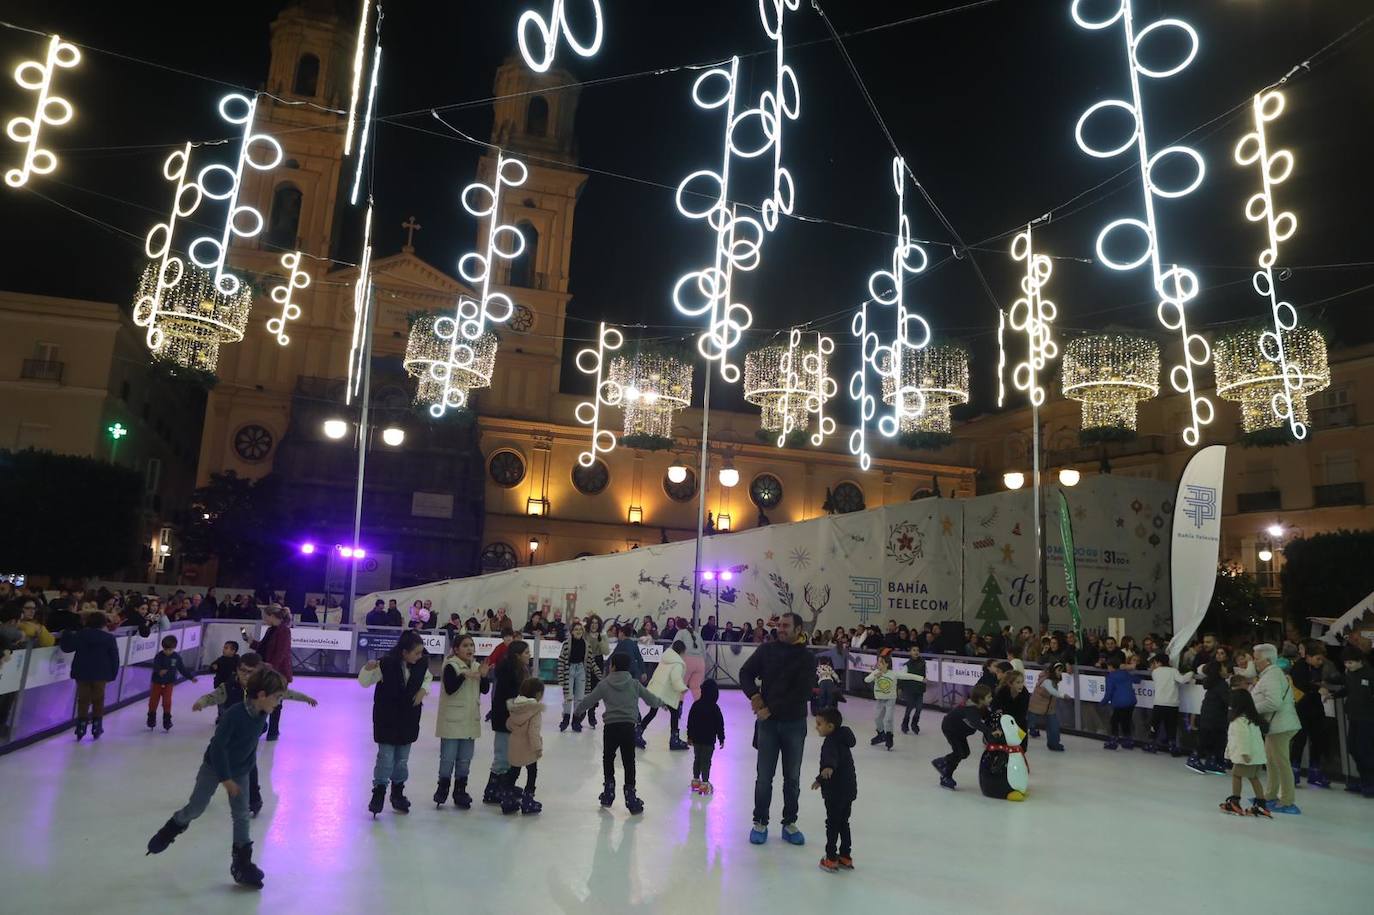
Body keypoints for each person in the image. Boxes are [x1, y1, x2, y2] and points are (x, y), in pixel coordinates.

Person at [145, 665, 288, 889]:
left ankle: (242, 864)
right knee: (196, 808)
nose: (279, 702)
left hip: (240, 770)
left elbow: (249, 748)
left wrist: (247, 773)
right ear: (261, 695)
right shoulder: (234, 715)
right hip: (214, 767)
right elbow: (218, 749)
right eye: (277, 697)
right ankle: (173, 826)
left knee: (241, 815)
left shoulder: (262, 714)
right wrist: (226, 778)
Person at [191, 652, 317, 817]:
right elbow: (212, 697)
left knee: (250, 769)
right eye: (243, 670)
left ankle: (254, 801)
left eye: (251, 672)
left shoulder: (262, 690)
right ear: (237, 670)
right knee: (214, 768)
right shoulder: (228, 688)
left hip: (247, 741)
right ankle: (201, 797)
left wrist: (305, 698)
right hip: (227, 738)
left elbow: (286, 693)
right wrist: (201, 702)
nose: (246, 675)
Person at [739, 612, 816, 846]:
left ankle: (789, 823)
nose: (780, 629)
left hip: (794, 724)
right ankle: (760, 822)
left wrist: (768, 708)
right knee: (764, 777)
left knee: (792, 778)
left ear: (798, 628)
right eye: (779, 625)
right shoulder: (767, 650)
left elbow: (802, 692)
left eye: (786, 626)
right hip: (768, 726)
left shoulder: (806, 657)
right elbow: (745, 673)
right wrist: (754, 695)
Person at [574, 651, 662, 813]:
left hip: (611, 728)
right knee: (629, 762)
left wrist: (578, 711)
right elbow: (650, 699)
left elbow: (589, 699)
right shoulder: (634, 684)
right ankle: (630, 795)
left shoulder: (605, 684)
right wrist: (661, 702)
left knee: (608, 758)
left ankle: (609, 790)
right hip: (628, 727)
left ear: (613, 666)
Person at [359, 630, 432, 817]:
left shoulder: (421, 664)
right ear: (404, 652)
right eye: (416, 652)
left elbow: (427, 678)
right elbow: (365, 682)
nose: (419, 656)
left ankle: (398, 792)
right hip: (387, 719)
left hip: (408, 719)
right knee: (385, 757)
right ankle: (379, 792)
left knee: (401, 760)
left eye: (421, 652)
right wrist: (367, 668)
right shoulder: (386, 664)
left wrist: (423, 691)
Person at [433, 633, 489, 809]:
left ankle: (460, 790)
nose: (469, 649)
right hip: (452, 720)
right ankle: (442, 788)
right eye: (465, 646)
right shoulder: (451, 665)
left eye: (471, 645)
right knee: (448, 758)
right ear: (456, 649)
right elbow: (450, 688)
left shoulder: (477, 666)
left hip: (470, 720)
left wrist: (485, 676)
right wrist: (465, 675)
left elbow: (485, 689)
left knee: (465, 759)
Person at [1251, 643, 1301, 814]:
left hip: (1280, 726)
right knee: (1272, 761)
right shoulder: (1270, 674)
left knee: (1281, 763)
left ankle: (1287, 799)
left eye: (1256, 658)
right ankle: (1271, 794)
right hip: (1276, 726)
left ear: (1266, 660)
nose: (1254, 661)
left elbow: (1274, 702)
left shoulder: (1272, 675)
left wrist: (1251, 707)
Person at [60, 611, 121, 740]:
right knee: (98, 699)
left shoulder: (82, 635)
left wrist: (66, 633)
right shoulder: (109, 638)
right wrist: (113, 673)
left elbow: (67, 647)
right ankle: (97, 725)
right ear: (103, 624)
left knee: (83, 699)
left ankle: (81, 725)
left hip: (82, 672)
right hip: (101, 673)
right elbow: (114, 657)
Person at [485, 639, 531, 807]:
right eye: (526, 653)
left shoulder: (520, 670)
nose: (529, 655)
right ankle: (492, 790)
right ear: (517, 655)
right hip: (505, 719)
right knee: (502, 755)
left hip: (513, 719)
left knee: (509, 755)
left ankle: (504, 786)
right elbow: (509, 697)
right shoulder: (507, 670)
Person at [1323, 643, 1373, 796]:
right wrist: (1334, 695)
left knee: (1365, 751)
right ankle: (1364, 779)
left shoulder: (1370, 674)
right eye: (1345, 662)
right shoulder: (1350, 674)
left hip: (1368, 718)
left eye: (1350, 662)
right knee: (1353, 748)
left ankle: (1369, 782)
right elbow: (1348, 688)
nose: (1347, 665)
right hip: (1354, 716)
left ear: (1360, 661)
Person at [812, 707, 858, 874]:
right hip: (848, 790)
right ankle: (845, 856)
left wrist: (828, 768)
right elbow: (838, 760)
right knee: (844, 823)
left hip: (835, 792)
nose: (816, 727)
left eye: (819, 724)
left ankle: (831, 858)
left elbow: (831, 760)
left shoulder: (830, 742)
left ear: (830, 726)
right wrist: (820, 779)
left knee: (832, 824)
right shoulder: (843, 738)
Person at [1219, 688, 1273, 818]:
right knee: (1254, 778)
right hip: (1257, 756)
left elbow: (1241, 738)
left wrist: (1244, 753)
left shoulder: (1239, 721)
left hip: (1246, 756)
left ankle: (1234, 802)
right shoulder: (1252, 719)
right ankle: (1261, 804)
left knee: (1236, 775)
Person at [1290, 641, 1337, 788]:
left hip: (1316, 708)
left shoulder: (1320, 667)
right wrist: (1317, 688)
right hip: (1302, 708)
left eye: (1321, 659)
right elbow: (1300, 684)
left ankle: (1314, 772)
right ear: (1308, 656)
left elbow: (1327, 680)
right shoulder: (1299, 666)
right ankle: (1294, 772)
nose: (1320, 662)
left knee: (1318, 739)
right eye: (1317, 658)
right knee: (1299, 740)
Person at [931, 684, 993, 789]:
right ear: (980, 699)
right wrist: (990, 732)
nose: (991, 699)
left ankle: (943, 762)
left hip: (959, 732)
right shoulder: (971, 709)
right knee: (959, 752)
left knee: (964, 753)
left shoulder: (981, 706)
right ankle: (946, 775)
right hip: (951, 729)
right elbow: (976, 723)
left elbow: (988, 716)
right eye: (989, 697)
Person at [864, 648, 925, 750]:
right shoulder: (876, 672)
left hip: (890, 700)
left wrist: (921, 678)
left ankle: (889, 737)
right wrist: (875, 675)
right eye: (878, 662)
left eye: (880, 662)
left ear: (887, 664)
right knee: (877, 718)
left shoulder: (893, 674)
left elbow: (908, 676)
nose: (878, 664)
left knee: (888, 719)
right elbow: (866, 680)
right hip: (880, 699)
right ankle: (881, 734)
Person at [247, 606, 292, 740]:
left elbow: (281, 652)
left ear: (272, 616)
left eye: (265, 616)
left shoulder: (284, 631)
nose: (264, 619)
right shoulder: (271, 630)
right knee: (262, 698)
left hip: (278, 672)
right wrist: (252, 642)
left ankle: (273, 731)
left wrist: (271, 667)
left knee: (276, 701)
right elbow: (264, 648)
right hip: (267, 670)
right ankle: (262, 727)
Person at [503, 677, 546, 815]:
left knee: (514, 771)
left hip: (514, 745)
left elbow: (509, 724)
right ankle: (528, 800)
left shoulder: (515, 707)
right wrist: (537, 748)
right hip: (528, 747)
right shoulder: (534, 709)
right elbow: (533, 731)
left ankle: (507, 799)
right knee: (532, 772)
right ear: (538, 694)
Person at [640, 639, 690, 750]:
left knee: (653, 712)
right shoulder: (677, 664)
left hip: (657, 690)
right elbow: (675, 679)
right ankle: (674, 739)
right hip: (664, 694)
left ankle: (637, 732)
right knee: (675, 712)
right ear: (681, 652)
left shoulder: (665, 659)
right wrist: (683, 688)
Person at [1188, 661, 1231, 775]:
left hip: (1209, 713)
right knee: (1212, 738)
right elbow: (1227, 700)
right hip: (1215, 715)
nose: (1226, 670)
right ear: (1219, 671)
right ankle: (1195, 758)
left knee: (1212, 738)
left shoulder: (1213, 683)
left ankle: (1211, 761)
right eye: (1224, 668)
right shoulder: (1221, 684)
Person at [1144, 653, 1191, 756]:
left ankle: (1152, 744)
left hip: (1159, 703)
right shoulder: (1173, 671)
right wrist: (1190, 673)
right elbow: (1183, 680)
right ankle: (1172, 747)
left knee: (1155, 724)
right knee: (1171, 726)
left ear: (1157, 662)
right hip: (1172, 704)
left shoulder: (1155, 672)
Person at [557, 621, 599, 733]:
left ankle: (576, 721)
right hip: (569, 670)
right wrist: (561, 677)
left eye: (580, 629)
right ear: (572, 631)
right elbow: (561, 660)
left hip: (581, 670)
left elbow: (591, 661)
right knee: (568, 696)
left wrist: (599, 674)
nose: (578, 631)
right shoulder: (566, 644)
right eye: (576, 629)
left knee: (580, 698)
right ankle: (565, 719)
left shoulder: (586, 645)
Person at [148, 635, 196, 731]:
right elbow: (155, 666)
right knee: (153, 702)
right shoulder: (159, 656)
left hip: (168, 684)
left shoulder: (176, 657)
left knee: (167, 702)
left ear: (174, 648)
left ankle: (167, 720)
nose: (167, 652)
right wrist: (159, 671)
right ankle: (151, 718)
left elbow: (182, 669)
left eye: (170, 650)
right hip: (157, 683)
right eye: (166, 649)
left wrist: (191, 677)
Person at [686, 678, 725, 795]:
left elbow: (690, 722)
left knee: (697, 759)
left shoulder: (696, 705)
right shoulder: (715, 708)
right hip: (709, 741)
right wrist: (721, 738)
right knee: (706, 761)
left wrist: (690, 736)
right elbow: (719, 724)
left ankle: (696, 780)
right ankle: (705, 783)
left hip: (697, 740)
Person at [1027, 662, 1067, 751]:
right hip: (1035, 707)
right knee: (1027, 724)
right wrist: (1063, 695)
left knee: (1054, 727)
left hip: (1049, 709)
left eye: (1061, 671)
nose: (1060, 673)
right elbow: (1052, 691)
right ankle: (1016, 742)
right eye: (1058, 670)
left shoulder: (1054, 680)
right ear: (1053, 670)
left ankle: (1054, 744)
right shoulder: (1046, 680)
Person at [1100, 657, 1137, 750]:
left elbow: (1108, 693)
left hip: (1120, 703)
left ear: (1111, 667)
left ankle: (1113, 741)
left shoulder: (1110, 677)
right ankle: (1128, 740)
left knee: (1114, 721)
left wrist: (1102, 703)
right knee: (1126, 721)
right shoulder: (1125, 673)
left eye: (1108, 666)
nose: (1108, 668)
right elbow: (1137, 680)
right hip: (1131, 701)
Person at [584, 614, 610, 729]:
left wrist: (600, 640)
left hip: (598, 661)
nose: (594, 625)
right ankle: (581, 712)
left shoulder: (602, 635)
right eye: (592, 623)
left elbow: (606, 651)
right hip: (585, 661)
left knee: (595, 689)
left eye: (596, 623)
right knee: (585, 688)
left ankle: (591, 712)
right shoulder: (585, 634)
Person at [207, 640, 242, 722]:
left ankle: (228, 719)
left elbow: (240, 671)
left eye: (226, 648)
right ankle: (221, 717)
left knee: (230, 703)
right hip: (220, 685)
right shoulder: (220, 660)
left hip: (232, 686)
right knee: (220, 703)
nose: (223, 650)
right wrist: (213, 667)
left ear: (233, 651)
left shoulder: (237, 661)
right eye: (224, 647)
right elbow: (212, 667)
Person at [993, 668, 1029, 737]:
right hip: (1002, 722)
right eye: (1018, 682)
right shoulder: (1002, 692)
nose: (1021, 685)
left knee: (1020, 746)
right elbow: (995, 709)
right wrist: (1000, 726)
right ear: (1010, 684)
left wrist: (1014, 726)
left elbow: (1023, 713)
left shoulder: (1025, 693)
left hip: (1019, 723)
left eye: (1022, 682)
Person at [900, 644, 928, 735]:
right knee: (909, 708)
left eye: (917, 650)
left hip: (919, 690)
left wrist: (925, 680)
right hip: (910, 690)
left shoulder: (923, 663)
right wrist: (900, 688)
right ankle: (905, 724)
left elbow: (925, 675)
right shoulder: (907, 665)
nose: (916, 652)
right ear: (910, 652)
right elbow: (902, 677)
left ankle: (914, 724)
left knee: (919, 708)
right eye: (914, 650)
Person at [678, 622, 707, 701]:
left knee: (681, 685)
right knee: (696, 687)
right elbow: (704, 650)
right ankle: (701, 706)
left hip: (687, 660)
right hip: (700, 662)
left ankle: (678, 707)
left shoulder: (681, 633)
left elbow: (676, 645)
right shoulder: (697, 634)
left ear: (678, 627)